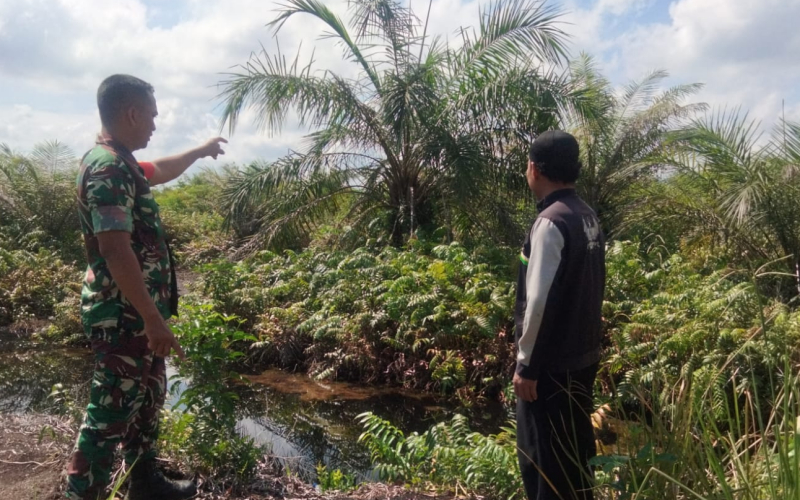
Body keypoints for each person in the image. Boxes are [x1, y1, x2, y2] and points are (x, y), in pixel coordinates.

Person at [66, 74, 227, 500]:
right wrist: (154, 320)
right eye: (152, 116)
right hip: (123, 317)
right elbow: (115, 250)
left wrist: (201, 150)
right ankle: (82, 495)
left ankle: (144, 482)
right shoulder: (107, 168)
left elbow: (164, 169)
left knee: (149, 399)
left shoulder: (125, 164)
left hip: (139, 318)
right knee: (108, 415)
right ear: (131, 113)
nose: (156, 125)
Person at [513, 130, 605, 500]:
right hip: (582, 360)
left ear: (534, 169)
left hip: (549, 372)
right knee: (575, 459)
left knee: (542, 466)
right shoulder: (586, 216)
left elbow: (538, 302)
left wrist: (526, 367)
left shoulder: (550, 223)